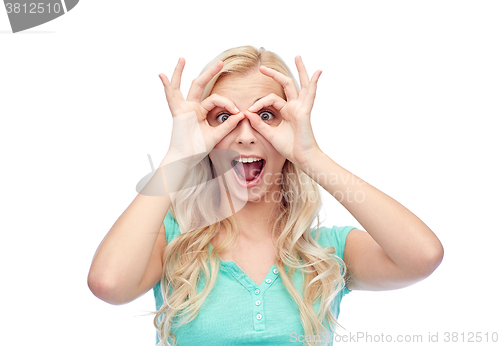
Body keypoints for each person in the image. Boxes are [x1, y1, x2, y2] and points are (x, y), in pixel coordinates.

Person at [87, 46, 444, 346]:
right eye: (223, 116)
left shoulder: (325, 253)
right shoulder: (173, 241)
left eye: (266, 115)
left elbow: (423, 255)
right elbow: (108, 284)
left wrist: (310, 155)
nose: (244, 135)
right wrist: (176, 159)